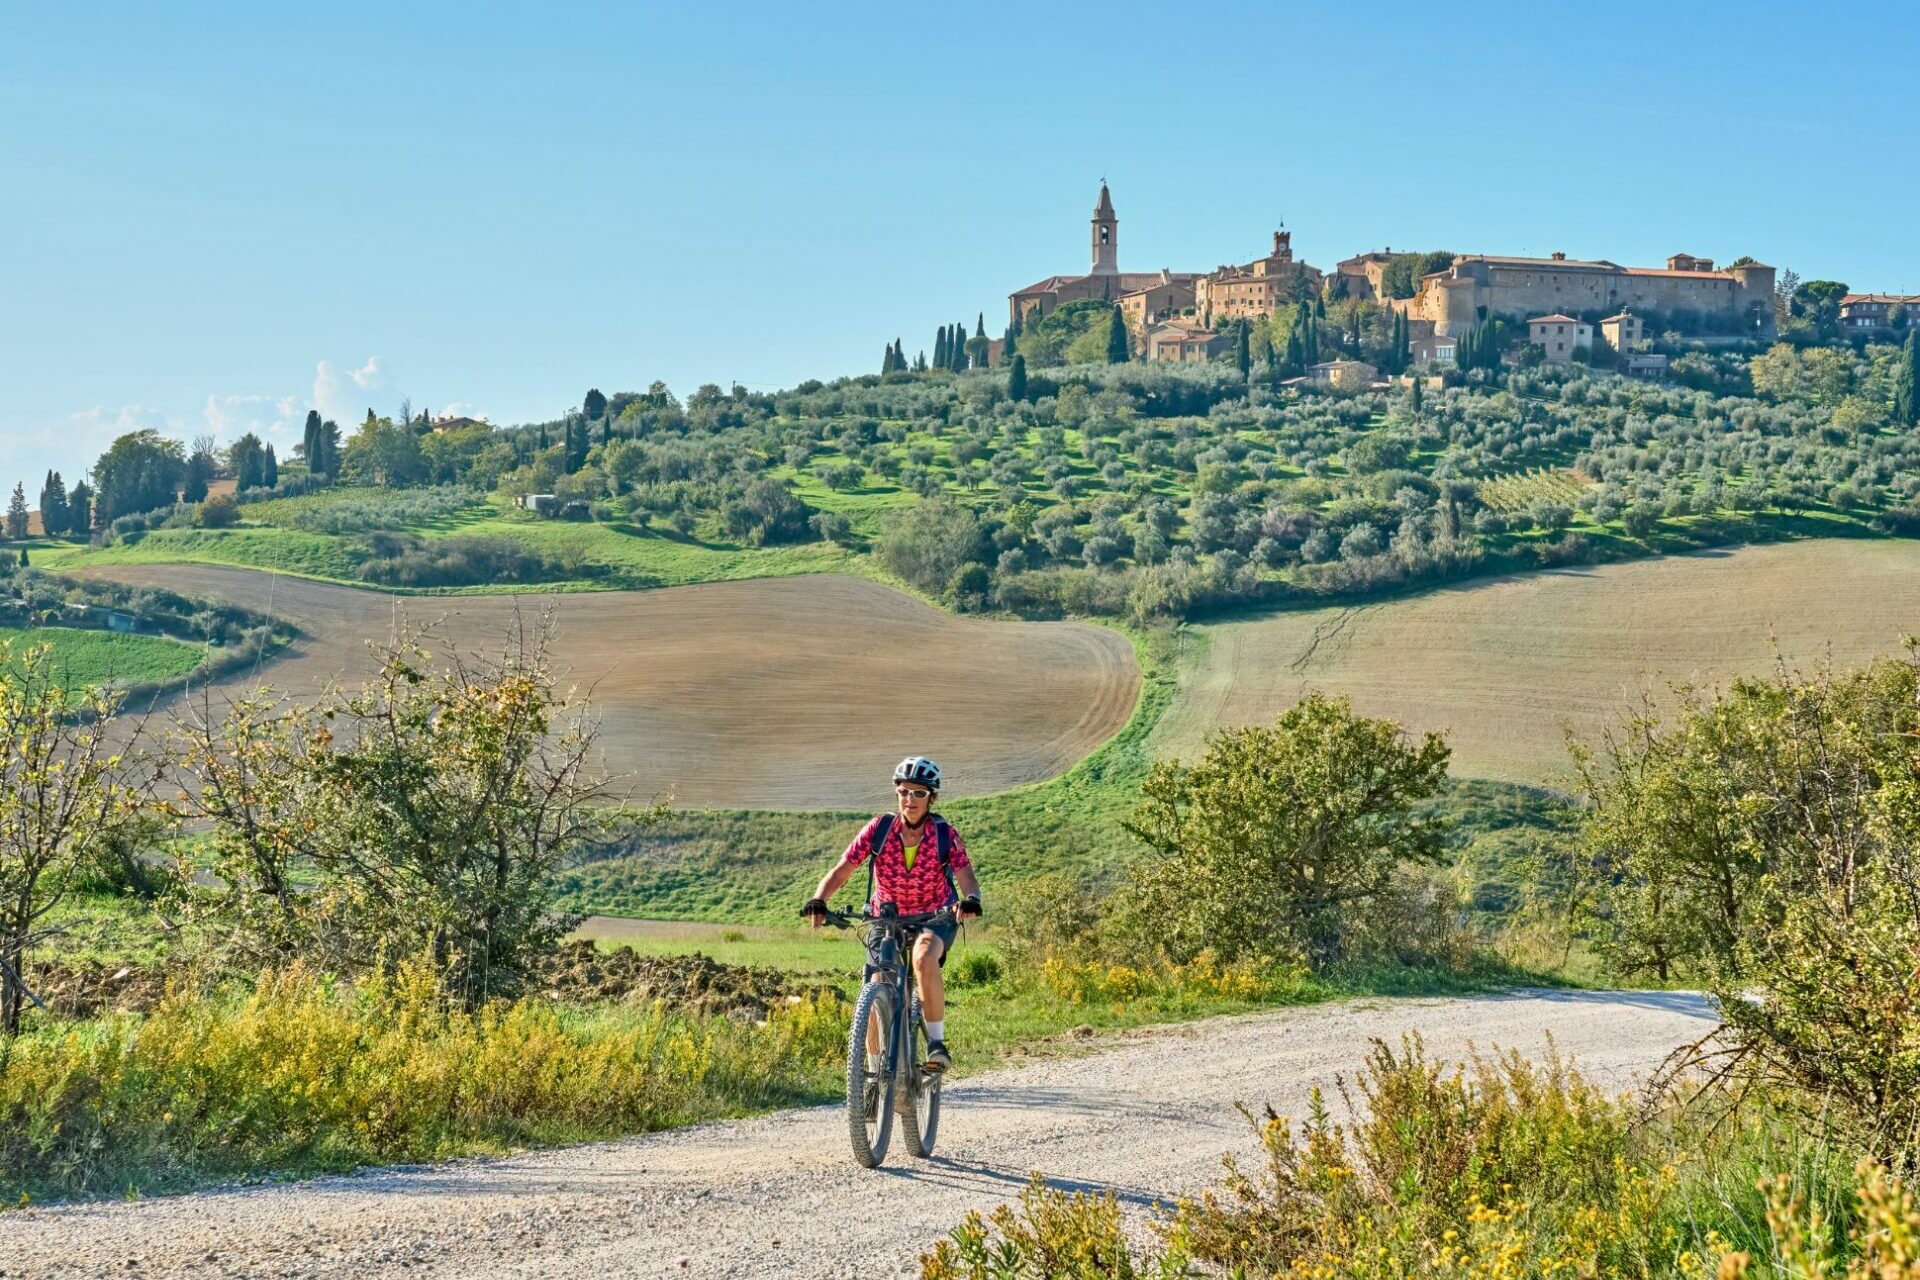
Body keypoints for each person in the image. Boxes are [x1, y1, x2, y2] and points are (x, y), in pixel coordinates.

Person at [801, 756, 982, 1070]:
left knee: (923, 957)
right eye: (903, 791)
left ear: (931, 798)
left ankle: (936, 1045)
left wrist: (972, 899)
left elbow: (965, 874)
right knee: (876, 982)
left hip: (934, 916)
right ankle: (872, 1073)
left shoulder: (943, 834)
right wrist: (819, 899)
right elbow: (842, 870)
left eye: (919, 793)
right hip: (885, 917)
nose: (910, 799)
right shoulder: (879, 829)